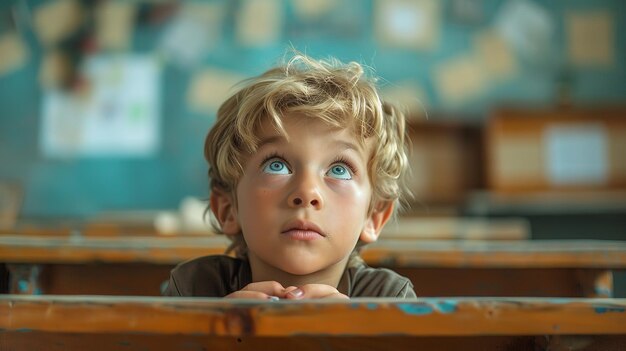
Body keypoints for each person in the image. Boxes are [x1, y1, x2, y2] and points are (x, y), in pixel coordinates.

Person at [164, 53, 416, 299]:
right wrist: (222, 332)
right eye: (276, 166)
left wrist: (350, 338)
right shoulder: (195, 290)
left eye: (339, 169)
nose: (307, 192)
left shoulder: (390, 300)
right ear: (229, 208)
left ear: (373, 216)